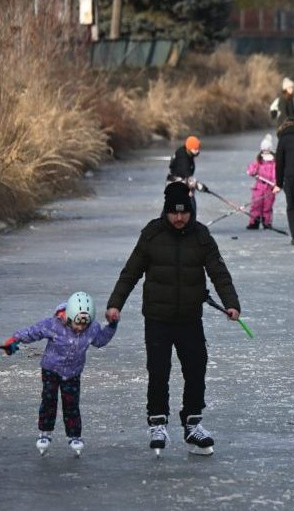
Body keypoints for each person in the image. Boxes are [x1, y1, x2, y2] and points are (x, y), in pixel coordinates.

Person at [106, 181, 242, 455]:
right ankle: (158, 423)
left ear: (191, 211)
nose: (179, 218)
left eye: (184, 212)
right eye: (174, 213)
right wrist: (114, 304)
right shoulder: (152, 234)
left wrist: (231, 303)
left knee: (196, 369)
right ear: (166, 212)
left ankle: (193, 424)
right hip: (157, 318)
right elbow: (130, 272)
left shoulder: (201, 235)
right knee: (158, 371)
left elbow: (219, 272)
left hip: (190, 318)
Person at [3, 292, 117, 456]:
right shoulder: (54, 324)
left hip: (73, 373)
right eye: (77, 323)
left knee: (71, 404)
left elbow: (101, 340)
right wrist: (15, 339)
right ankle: (45, 432)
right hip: (51, 369)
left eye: (84, 324)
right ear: (69, 316)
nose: (80, 328)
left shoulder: (92, 329)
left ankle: (74, 436)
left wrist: (112, 326)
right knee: (49, 399)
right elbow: (33, 331)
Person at [245, 134, 277, 230]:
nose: (265, 152)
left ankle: (266, 222)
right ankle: (254, 221)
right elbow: (251, 169)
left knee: (267, 206)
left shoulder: (274, 162)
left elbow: (276, 174)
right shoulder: (259, 160)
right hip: (258, 187)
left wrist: (276, 183)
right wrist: (252, 172)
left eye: (267, 149)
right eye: (263, 150)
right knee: (256, 205)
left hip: (269, 188)